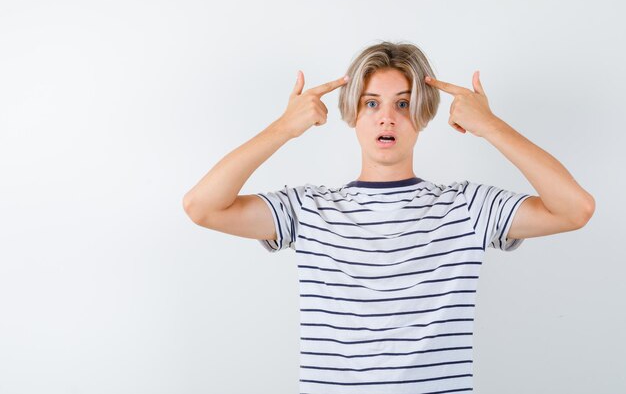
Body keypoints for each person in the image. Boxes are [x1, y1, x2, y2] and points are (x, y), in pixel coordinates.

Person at [182, 41, 595, 394]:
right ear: (352, 114)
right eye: (371, 103)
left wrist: (491, 127)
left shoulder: (466, 207)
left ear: (423, 113)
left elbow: (575, 209)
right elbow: (202, 206)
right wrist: (283, 129)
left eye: (403, 103)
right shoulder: (308, 208)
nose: (387, 117)